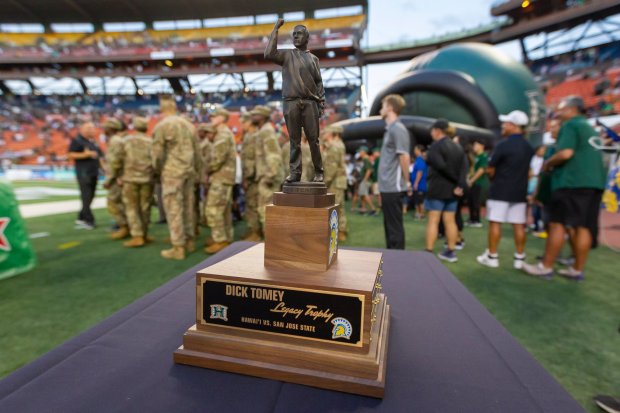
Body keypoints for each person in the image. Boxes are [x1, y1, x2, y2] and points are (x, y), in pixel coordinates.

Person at [522, 96, 606, 280]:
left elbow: (566, 153)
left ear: (571, 109)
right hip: (594, 184)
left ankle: (546, 266)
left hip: (572, 182)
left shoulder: (571, 125)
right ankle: (577, 269)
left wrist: (548, 164)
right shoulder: (590, 128)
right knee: (583, 226)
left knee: (557, 223)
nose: (557, 113)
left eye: (560, 109)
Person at [265, 18, 325, 183]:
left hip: (310, 103)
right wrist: (276, 29)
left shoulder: (314, 59)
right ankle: (295, 173)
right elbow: (268, 54)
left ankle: (319, 172)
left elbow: (319, 81)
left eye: (299, 34)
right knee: (294, 141)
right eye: (294, 34)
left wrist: (321, 102)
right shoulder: (286, 55)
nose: (296, 37)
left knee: (314, 140)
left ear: (307, 38)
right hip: (291, 102)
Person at [476, 110, 534, 269]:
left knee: (495, 222)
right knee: (518, 225)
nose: (503, 126)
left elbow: (490, 169)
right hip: (519, 192)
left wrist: (494, 179)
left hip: (500, 190)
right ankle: (519, 258)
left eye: (506, 123)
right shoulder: (529, 147)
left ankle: (492, 256)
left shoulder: (503, 144)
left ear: (514, 126)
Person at [152, 96, 202, 260]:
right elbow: (197, 152)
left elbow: (157, 154)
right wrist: (198, 171)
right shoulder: (189, 125)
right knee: (188, 207)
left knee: (174, 208)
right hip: (189, 171)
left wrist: (158, 170)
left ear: (162, 109)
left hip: (172, 172)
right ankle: (189, 241)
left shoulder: (163, 126)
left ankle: (178, 247)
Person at [424, 119, 467, 262]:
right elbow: (464, 168)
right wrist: (459, 185)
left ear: (437, 130)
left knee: (433, 220)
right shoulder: (458, 147)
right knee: (450, 221)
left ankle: (428, 252)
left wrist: (455, 180)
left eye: (432, 130)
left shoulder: (436, 146)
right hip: (453, 191)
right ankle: (451, 251)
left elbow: (440, 166)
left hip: (438, 188)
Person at [110, 117, 153, 247]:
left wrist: (117, 175)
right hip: (147, 178)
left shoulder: (126, 141)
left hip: (130, 179)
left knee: (132, 208)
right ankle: (144, 234)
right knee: (145, 207)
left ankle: (137, 236)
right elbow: (157, 160)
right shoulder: (151, 141)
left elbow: (117, 160)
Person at [377, 94, 411, 249]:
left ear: (390, 108)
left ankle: (399, 262)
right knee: (390, 227)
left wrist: (408, 181)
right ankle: (392, 258)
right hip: (387, 186)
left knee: (394, 228)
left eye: (383, 105)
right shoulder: (390, 129)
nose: (380, 109)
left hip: (394, 187)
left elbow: (404, 156)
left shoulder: (398, 128)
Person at [204, 108, 236, 254]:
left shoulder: (222, 133)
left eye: (214, 116)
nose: (211, 118)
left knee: (214, 208)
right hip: (224, 177)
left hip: (221, 176)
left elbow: (218, 159)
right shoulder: (223, 132)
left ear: (222, 118)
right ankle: (225, 238)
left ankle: (220, 239)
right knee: (223, 209)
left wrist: (207, 170)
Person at [252, 105, 283, 235]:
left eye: (256, 114)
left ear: (263, 117)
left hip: (269, 176)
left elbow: (273, 155)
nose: (252, 117)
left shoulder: (266, 131)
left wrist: (270, 175)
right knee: (265, 209)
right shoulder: (263, 130)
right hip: (266, 174)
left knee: (266, 210)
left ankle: (271, 241)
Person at [67, 121, 102, 230]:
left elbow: (100, 156)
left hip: (93, 172)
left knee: (90, 196)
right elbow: (70, 154)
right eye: (91, 128)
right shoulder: (77, 140)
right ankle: (88, 220)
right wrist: (85, 154)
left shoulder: (93, 142)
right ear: (84, 130)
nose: (93, 130)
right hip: (84, 173)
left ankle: (81, 217)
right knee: (86, 197)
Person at [102, 118, 129, 239]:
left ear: (110, 129)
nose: (103, 130)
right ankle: (127, 226)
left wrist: (109, 179)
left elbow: (115, 163)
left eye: (106, 127)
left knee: (113, 203)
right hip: (120, 177)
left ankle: (124, 227)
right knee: (121, 203)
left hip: (117, 178)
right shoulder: (116, 140)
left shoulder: (115, 141)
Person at [322, 124, 348, 241]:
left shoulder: (334, 146)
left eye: (327, 132)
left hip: (334, 181)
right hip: (339, 180)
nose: (325, 134)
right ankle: (341, 231)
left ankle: (337, 232)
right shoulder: (340, 145)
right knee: (339, 207)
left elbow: (331, 167)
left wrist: (325, 182)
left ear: (333, 133)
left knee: (335, 207)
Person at [239, 113, 260, 241]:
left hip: (253, 177)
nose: (242, 125)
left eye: (243, 122)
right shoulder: (248, 136)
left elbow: (251, 159)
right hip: (249, 175)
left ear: (249, 122)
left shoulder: (254, 136)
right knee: (250, 204)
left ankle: (256, 233)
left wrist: (247, 177)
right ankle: (252, 229)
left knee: (253, 204)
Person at [466, 138, 488, 227]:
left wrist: (472, 180)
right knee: (470, 201)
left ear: (481, 146)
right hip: (472, 183)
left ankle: (477, 220)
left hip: (478, 183)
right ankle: (471, 219)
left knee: (475, 202)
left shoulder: (483, 156)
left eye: (476, 144)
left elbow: (481, 170)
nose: (474, 146)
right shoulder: (475, 157)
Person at [356, 146, 378, 215]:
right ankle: (363, 209)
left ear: (364, 152)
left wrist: (365, 179)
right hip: (365, 179)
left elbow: (369, 170)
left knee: (364, 194)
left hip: (366, 180)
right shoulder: (365, 159)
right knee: (362, 194)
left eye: (360, 151)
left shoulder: (366, 159)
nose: (359, 153)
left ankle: (373, 209)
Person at [410, 145, 428, 220]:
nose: (414, 151)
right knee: (417, 199)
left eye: (415, 149)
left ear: (419, 150)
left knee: (420, 200)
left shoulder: (420, 160)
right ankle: (418, 213)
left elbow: (419, 172)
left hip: (420, 184)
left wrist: (416, 183)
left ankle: (421, 214)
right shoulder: (418, 159)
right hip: (418, 184)